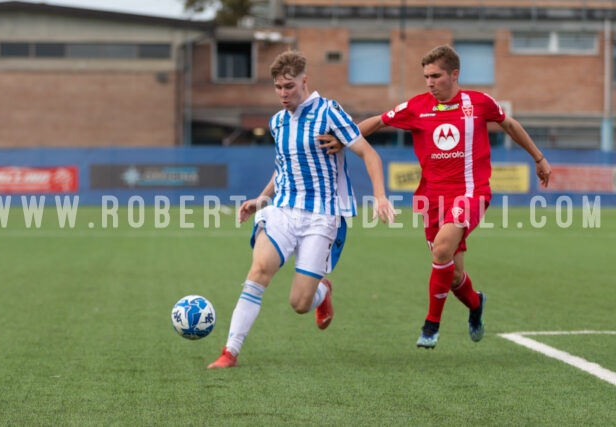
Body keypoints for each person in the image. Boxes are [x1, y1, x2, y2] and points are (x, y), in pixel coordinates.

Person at [320, 44, 552, 349]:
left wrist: (538, 158)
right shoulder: (417, 106)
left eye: (436, 76)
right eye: (426, 76)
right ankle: (475, 303)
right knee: (453, 276)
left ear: (454, 74)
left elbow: (508, 124)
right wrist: (344, 138)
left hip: (471, 193)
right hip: (431, 200)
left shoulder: (479, 103)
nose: (429, 82)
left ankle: (431, 325)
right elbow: (378, 121)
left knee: (442, 249)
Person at [208, 50, 396, 368]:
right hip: (282, 210)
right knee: (258, 272)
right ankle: (230, 352)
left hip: (322, 216)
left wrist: (380, 196)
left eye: (289, 86)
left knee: (299, 303)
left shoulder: (329, 112)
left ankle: (322, 291)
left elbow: (369, 154)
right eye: (279, 87)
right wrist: (260, 199)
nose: (283, 94)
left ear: (304, 81)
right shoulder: (278, 122)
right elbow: (283, 169)